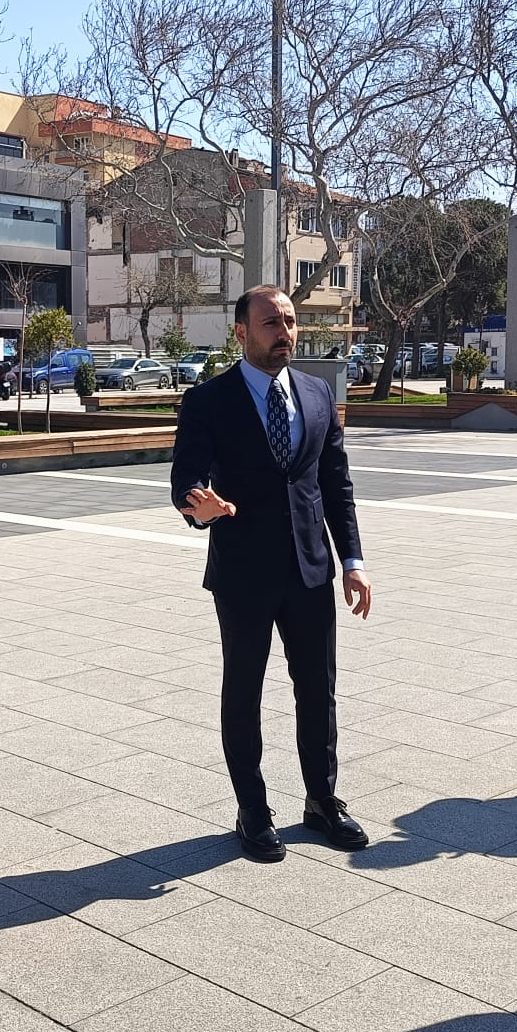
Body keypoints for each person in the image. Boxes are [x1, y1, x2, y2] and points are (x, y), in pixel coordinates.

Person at [170, 286, 373, 863]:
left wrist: (353, 562)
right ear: (241, 332)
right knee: (244, 692)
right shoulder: (209, 401)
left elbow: (335, 484)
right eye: (270, 323)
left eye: (289, 320)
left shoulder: (317, 392)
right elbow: (186, 477)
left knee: (318, 691)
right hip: (243, 573)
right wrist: (200, 507)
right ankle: (253, 811)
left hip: (310, 570)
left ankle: (322, 801)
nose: (284, 331)